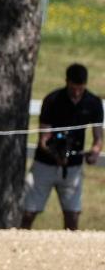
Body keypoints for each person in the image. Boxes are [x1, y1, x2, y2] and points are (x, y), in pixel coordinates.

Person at [21, 63, 103, 231]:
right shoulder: (52, 100)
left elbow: (98, 138)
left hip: (73, 167)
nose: (77, 92)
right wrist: (56, 154)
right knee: (28, 211)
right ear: (67, 82)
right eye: (73, 88)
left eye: (80, 88)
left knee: (72, 215)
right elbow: (43, 138)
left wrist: (95, 152)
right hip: (45, 164)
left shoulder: (93, 103)